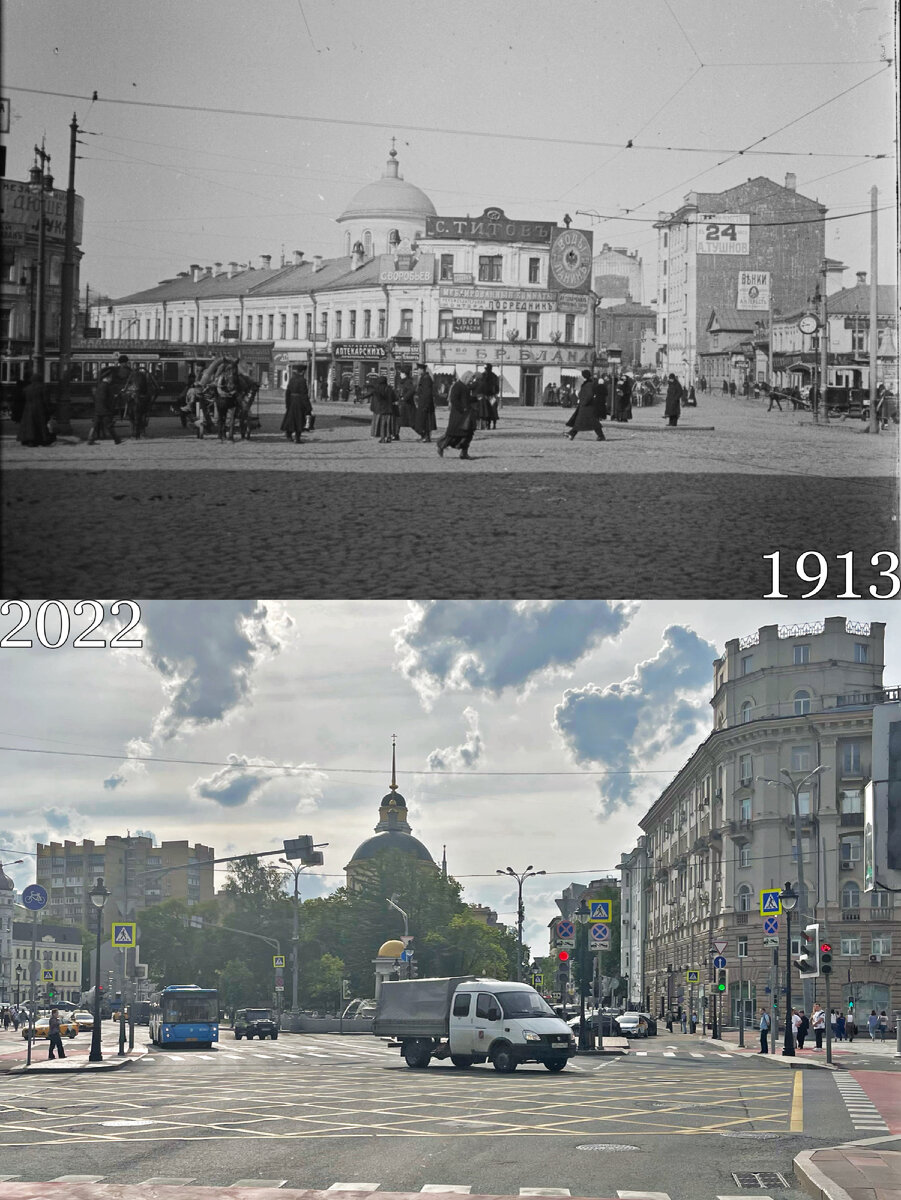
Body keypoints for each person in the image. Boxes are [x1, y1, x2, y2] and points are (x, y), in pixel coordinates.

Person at [437, 370, 477, 459]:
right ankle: (441, 446)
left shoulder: (465, 387)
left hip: (466, 415)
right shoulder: (457, 386)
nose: (471, 381)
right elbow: (454, 399)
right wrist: (462, 408)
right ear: (466, 377)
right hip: (458, 415)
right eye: (471, 379)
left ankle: (464, 453)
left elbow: (466, 399)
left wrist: (476, 399)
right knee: (452, 434)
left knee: (468, 434)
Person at [16, 372, 57, 447]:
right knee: (40, 425)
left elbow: (22, 399)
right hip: (40, 408)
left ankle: (28, 440)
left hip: (28, 409)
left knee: (29, 425)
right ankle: (42, 440)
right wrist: (50, 409)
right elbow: (46, 401)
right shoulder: (43, 387)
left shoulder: (26, 388)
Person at [565, 369, 607, 440]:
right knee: (581, 420)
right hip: (586, 405)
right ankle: (572, 433)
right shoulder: (588, 383)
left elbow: (589, 394)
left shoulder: (588, 384)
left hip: (587, 406)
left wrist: (584, 401)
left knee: (591, 421)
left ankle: (601, 436)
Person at [281, 364, 311, 444]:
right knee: (299, 420)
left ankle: (289, 434)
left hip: (291, 402)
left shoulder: (292, 379)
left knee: (291, 419)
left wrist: (287, 403)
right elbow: (304, 394)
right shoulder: (302, 380)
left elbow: (287, 392)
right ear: (303, 371)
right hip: (299, 402)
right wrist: (308, 407)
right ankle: (297, 438)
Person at [413, 363, 437, 443]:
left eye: (419, 369)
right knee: (423, 421)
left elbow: (427, 393)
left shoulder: (426, 378)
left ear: (422, 370)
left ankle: (426, 437)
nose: (418, 371)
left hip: (425, 403)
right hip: (423, 402)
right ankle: (424, 436)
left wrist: (426, 405)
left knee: (426, 421)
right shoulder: (424, 377)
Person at [473, 363, 500, 430]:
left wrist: (495, 393)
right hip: (485, 395)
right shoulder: (483, 375)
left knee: (493, 409)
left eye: (488, 368)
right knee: (486, 410)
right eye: (486, 369)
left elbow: (496, 386)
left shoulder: (494, 376)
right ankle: (487, 424)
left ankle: (493, 424)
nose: (487, 370)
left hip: (491, 395)